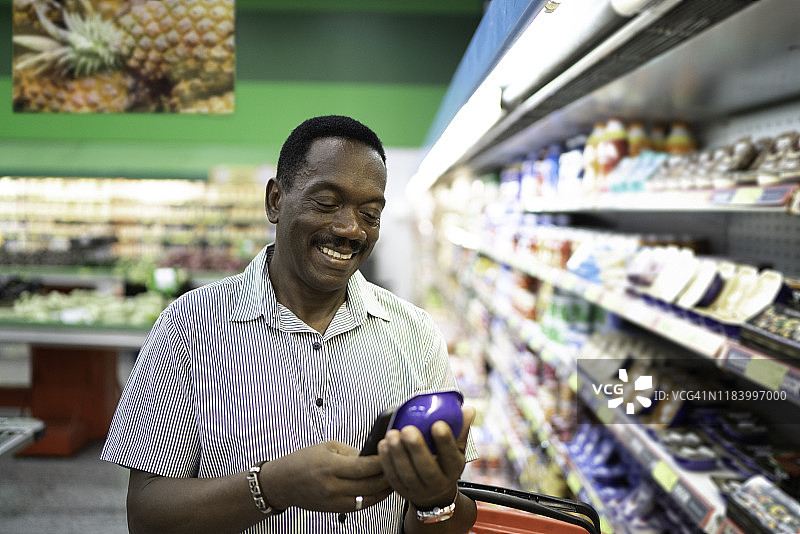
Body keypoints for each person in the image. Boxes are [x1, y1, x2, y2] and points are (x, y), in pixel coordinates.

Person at [101, 115, 479, 533]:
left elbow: (449, 521)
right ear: (276, 201)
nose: (351, 228)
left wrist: (436, 500)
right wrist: (270, 488)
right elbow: (146, 516)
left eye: (370, 213)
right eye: (326, 202)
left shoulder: (415, 334)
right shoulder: (189, 326)